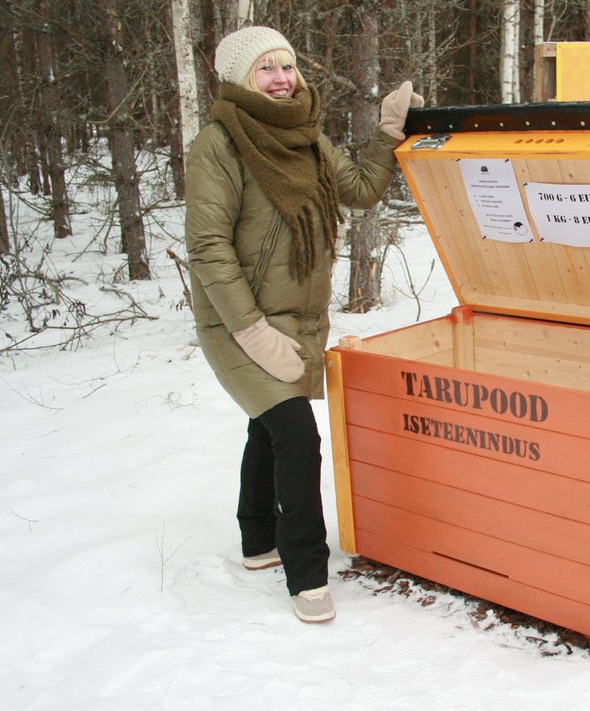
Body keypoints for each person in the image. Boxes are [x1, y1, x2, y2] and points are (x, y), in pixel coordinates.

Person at [184, 26, 423, 624]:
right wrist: (251, 329)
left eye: (286, 66)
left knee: (267, 428)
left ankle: (257, 540)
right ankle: (307, 572)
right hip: (238, 321)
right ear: (241, 79)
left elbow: (362, 190)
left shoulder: (307, 137)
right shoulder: (219, 144)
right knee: (295, 435)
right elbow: (209, 246)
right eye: (265, 69)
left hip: (300, 320)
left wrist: (389, 132)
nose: (281, 79)